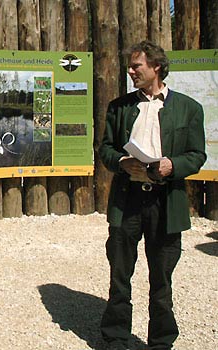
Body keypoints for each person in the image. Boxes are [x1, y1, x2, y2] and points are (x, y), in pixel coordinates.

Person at [99, 41, 206, 350]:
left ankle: (161, 341)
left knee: (161, 279)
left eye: (136, 66)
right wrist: (121, 161)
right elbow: (105, 149)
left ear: (156, 67)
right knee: (120, 275)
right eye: (130, 67)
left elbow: (197, 155)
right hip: (127, 200)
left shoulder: (189, 108)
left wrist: (173, 165)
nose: (130, 71)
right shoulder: (119, 106)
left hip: (165, 202)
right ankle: (115, 337)